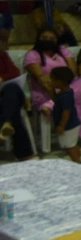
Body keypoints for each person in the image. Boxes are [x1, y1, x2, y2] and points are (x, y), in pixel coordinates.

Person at [24, 26, 81, 113]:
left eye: (52, 38)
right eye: (44, 38)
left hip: (67, 87)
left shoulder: (62, 50)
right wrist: (57, 92)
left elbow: (72, 72)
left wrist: (63, 87)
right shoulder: (32, 54)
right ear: (38, 38)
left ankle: (51, 104)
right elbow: (43, 80)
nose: (48, 40)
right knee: (73, 101)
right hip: (45, 92)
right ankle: (57, 102)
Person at [0, 29, 37, 161]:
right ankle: (25, 155)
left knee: (12, 88)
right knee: (12, 109)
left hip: (5, 94)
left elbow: (14, 73)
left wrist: (2, 79)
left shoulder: (3, 56)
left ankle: (6, 123)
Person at [49, 66, 81, 163]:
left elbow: (66, 112)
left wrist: (61, 126)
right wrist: (51, 89)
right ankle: (78, 157)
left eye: (52, 80)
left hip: (69, 126)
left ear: (59, 82)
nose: (50, 81)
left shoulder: (66, 96)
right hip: (71, 125)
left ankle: (77, 162)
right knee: (71, 144)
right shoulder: (64, 92)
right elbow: (55, 100)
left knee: (69, 147)